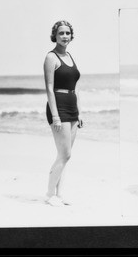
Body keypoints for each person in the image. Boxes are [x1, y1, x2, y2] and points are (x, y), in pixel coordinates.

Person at [43, 20, 83, 206]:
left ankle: (59, 194)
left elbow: (74, 88)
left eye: (67, 33)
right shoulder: (51, 58)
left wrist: (80, 113)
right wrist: (56, 115)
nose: (65, 36)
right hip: (58, 107)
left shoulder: (70, 56)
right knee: (65, 154)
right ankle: (50, 194)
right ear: (55, 36)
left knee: (65, 155)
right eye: (61, 33)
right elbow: (50, 89)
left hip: (73, 107)